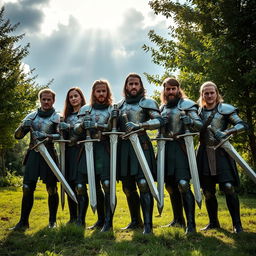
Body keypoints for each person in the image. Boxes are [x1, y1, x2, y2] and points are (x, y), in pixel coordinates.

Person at [197, 81, 247, 233]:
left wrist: (226, 132)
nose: (210, 95)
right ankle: (213, 223)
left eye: (212, 92)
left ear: (217, 93)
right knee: (208, 191)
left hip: (222, 152)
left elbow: (242, 125)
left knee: (228, 187)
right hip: (204, 152)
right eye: (206, 93)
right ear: (202, 95)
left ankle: (237, 224)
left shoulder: (225, 109)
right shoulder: (197, 112)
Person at [116, 73, 164, 234]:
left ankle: (148, 225)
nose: (134, 87)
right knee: (128, 187)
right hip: (124, 148)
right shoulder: (119, 105)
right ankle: (136, 221)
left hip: (142, 145)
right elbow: (113, 127)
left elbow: (160, 121)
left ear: (141, 86)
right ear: (126, 86)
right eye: (130, 84)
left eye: (136, 84)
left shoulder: (147, 102)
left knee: (144, 184)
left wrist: (140, 125)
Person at [12, 88, 60, 230]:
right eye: (43, 99)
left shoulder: (57, 117)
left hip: (49, 154)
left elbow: (61, 136)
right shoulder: (31, 116)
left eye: (49, 99)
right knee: (27, 188)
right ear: (40, 100)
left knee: (51, 189)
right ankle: (23, 222)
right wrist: (23, 126)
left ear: (53, 101)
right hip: (33, 154)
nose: (46, 102)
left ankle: (52, 222)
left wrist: (48, 136)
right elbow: (18, 136)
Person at [160, 77, 203, 234]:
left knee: (184, 184)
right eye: (168, 89)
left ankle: (191, 224)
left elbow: (201, 125)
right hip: (166, 149)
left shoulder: (187, 105)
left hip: (182, 148)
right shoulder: (162, 108)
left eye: (173, 89)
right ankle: (178, 220)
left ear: (178, 89)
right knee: (170, 186)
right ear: (164, 90)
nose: (171, 92)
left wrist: (190, 121)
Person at [74, 79, 114, 231]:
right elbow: (76, 129)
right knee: (90, 186)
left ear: (107, 92)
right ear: (93, 93)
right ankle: (99, 220)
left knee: (106, 184)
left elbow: (116, 129)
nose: (101, 94)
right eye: (98, 91)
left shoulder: (112, 109)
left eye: (104, 91)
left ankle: (109, 223)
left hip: (104, 149)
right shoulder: (85, 109)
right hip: (88, 149)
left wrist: (99, 126)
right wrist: (83, 125)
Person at [59, 87, 86, 226]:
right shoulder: (66, 117)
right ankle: (73, 217)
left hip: (81, 152)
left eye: (76, 96)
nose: (74, 99)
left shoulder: (86, 114)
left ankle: (81, 220)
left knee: (80, 185)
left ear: (81, 97)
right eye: (71, 97)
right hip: (68, 153)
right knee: (69, 185)